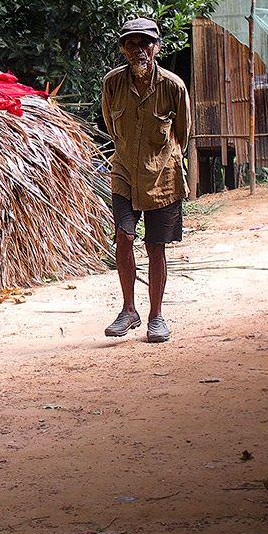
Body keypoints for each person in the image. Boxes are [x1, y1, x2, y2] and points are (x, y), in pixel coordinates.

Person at [100, 18, 191, 343]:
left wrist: (161, 159)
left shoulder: (173, 86)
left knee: (155, 247)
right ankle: (129, 310)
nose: (139, 50)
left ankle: (156, 316)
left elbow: (183, 134)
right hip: (124, 171)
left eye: (145, 43)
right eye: (131, 44)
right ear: (124, 49)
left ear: (157, 47)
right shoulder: (112, 84)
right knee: (124, 237)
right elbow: (113, 126)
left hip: (163, 177)